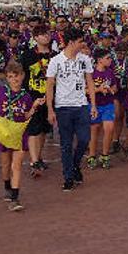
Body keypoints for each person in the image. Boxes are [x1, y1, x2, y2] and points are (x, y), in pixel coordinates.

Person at [46, 27, 97, 191]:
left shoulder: (85, 59)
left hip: (81, 105)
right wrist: (50, 109)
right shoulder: (55, 61)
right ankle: (68, 176)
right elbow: (49, 86)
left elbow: (90, 82)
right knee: (66, 144)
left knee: (84, 139)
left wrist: (93, 104)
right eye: (80, 41)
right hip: (63, 108)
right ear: (71, 42)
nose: (83, 44)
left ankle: (75, 165)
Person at [0, 61, 44, 212]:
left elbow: (26, 115)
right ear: (6, 78)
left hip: (19, 133)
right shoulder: (1, 91)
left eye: (16, 76)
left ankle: (15, 197)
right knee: (6, 164)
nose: (14, 79)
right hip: (4, 132)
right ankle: (7, 185)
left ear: (22, 76)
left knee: (17, 165)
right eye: (10, 76)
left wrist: (34, 106)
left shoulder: (26, 96)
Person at [19, 25, 56, 176]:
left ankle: (38, 157)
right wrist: (21, 95)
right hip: (32, 96)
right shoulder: (27, 55)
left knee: (43, 130)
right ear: (35, 38)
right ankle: (34, 161)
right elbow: (20, 75)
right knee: (33, 129)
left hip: (49, 97)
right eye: (41, 35)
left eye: (47, 33)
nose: (45, 37)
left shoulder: (55, 55)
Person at [87, 48, 118, 169]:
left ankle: (105, 155)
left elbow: (115, 86)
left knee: (109, 128)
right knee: (94, 129)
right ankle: (92, 155)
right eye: (108, 58)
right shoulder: (91, 73)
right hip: (94, 104)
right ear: (99, 60)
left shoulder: (110, 72)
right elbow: (85, 90)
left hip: (108, 104)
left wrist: (111, 89)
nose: (110, 60)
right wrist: (98, 89)